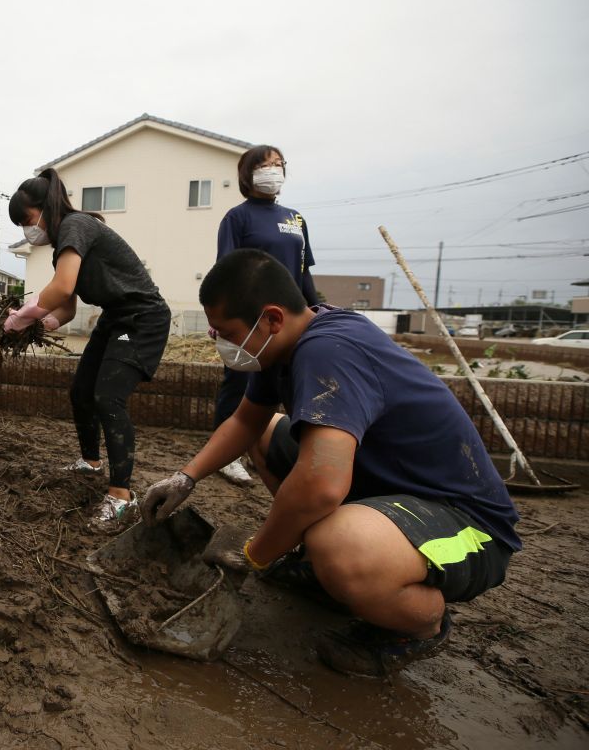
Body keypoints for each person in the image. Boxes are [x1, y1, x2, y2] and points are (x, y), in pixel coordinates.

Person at [141, 249, 520, 675]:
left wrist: (256, 553)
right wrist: (186, 477)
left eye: (226, 331)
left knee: (339, 544)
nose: (219, 342)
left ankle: (419, 628)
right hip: (396, 495)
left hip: (467, 525)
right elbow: (248, 421)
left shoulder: (329, 350)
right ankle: (325, 571)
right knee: (269, 435)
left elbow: (322, 484)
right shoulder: (279, 346)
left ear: (271, 318)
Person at [5, 168, 171, 526]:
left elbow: (61, 289)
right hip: (116, 319)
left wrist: (24, 315)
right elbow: (66, 307)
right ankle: (90, 462)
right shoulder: (63, 244)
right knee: (82, 390)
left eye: (28, 220)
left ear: (46, 207)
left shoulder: (75, 225)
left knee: (108, 397)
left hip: (141, 320)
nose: (27, 230)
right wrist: (39, 321)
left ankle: (122, 496)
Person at [213, 145, 319, 485]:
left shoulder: (295, 219)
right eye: (264, 165)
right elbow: (226, 269)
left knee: (289, 380)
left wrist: (315, 311)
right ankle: (226, 454)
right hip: (253, 315)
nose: (273, 170)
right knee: (240, 382)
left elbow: (304, 273)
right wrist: (224, 316)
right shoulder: (237, 217)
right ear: (248, 173)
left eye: (278, 164)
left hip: (290, 315)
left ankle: (272, 446)